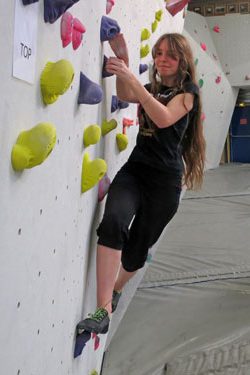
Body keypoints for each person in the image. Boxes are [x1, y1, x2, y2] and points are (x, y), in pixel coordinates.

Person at [77, 33, 206, 334]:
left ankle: (118, 289)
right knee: (114, 221)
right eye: (159, 53)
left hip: (164, 184)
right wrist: (123, 63)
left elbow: (162, 118)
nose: (162, 59)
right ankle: (102, 310)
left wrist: (134, 80)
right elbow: (124, 94)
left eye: (171, 55)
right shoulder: (152, 88)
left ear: (183, 61)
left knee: (137, 248)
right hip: (136, 171)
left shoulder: (188, 93)